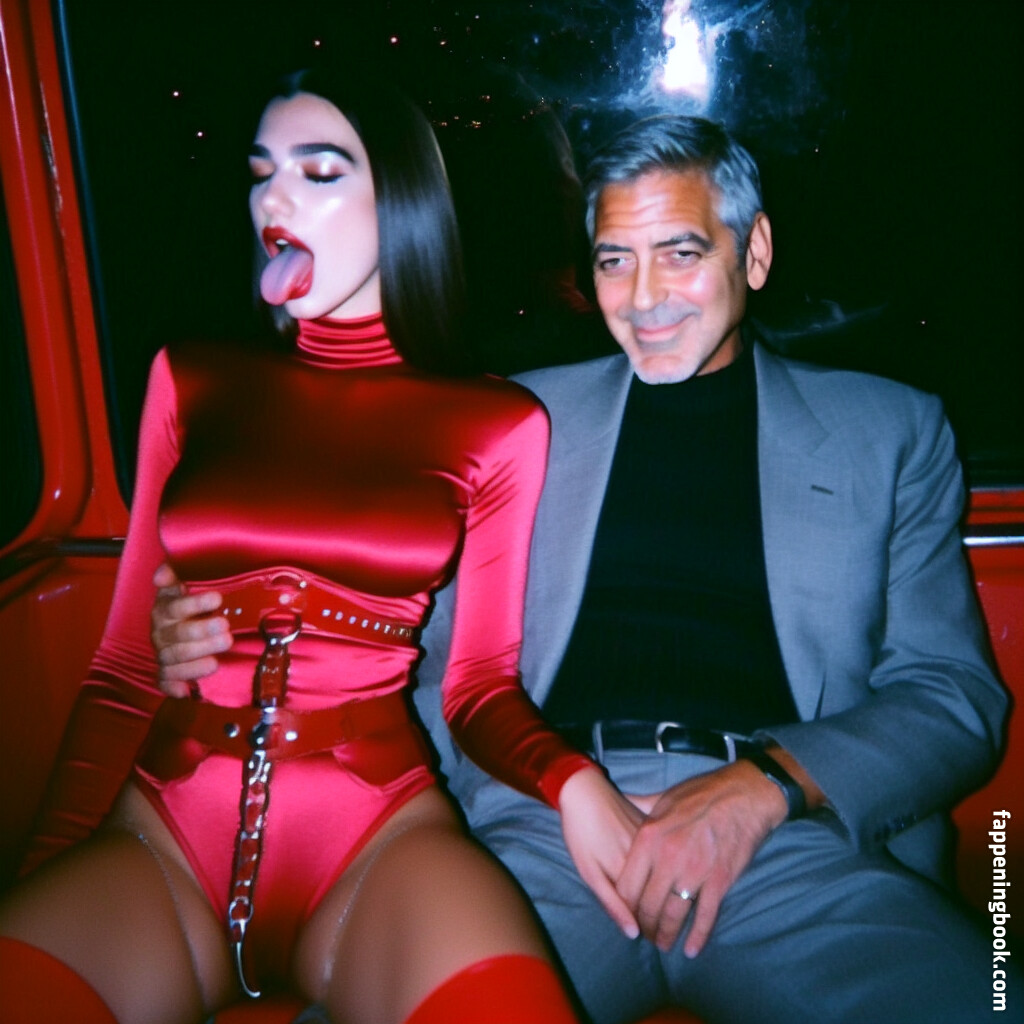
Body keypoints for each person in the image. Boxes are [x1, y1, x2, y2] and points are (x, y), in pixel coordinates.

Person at [149, 114, 1014, 1023]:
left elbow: (954, 695)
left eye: (680, 253)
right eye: (613, 261)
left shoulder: (888, 432)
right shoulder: (515, 420)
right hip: (541, 823)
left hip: (791, 835)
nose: (644, 299)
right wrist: (219, 629)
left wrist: (762, 788)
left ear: (754, 252)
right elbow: (399, 642)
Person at [0, 66, 657, 1024]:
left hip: (376, 840)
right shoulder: (193, 379)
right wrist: (51, 869)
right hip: (162, 836)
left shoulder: (495, 423)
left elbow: (478, 690)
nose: (275, 200)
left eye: (319, 172)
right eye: (261, 172)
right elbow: (123, 670)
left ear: (402, 202)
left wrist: (573, 782)